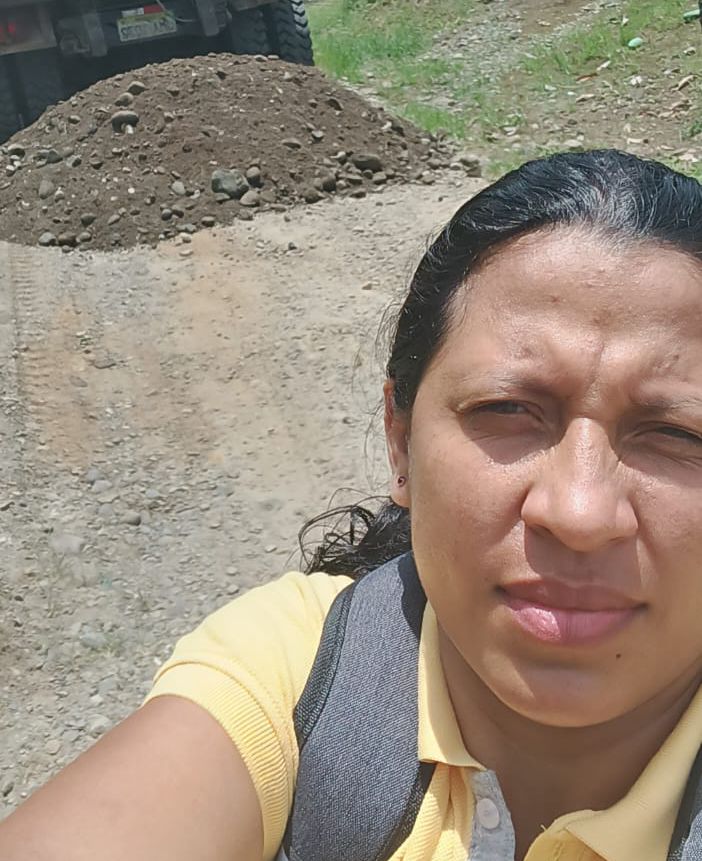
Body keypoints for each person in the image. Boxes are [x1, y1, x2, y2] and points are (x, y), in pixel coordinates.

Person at [3, 148, 702, 861]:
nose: (580, 513)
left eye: (678, 433)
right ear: (400, 442)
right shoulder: (300, 674)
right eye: (507, 408)